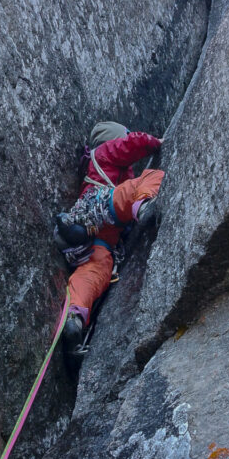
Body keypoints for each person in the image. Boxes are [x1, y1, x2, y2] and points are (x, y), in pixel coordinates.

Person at [56, 121, 164, 358]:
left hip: (100, 238)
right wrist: (156, 142)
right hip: (107, 206)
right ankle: (143, 205)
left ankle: (75, 316)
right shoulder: (103, 153)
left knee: (94, 271)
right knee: (149, 178)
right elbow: (131, 144)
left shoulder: (94, 168)